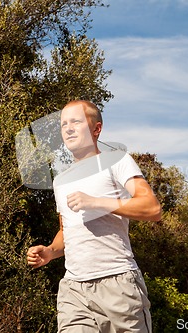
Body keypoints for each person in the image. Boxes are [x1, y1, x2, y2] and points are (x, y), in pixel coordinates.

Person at [26, 100, 162, 333]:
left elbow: (152, 208)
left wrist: (97, 202)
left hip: (118, 284)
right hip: (74, 290)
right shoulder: (61, 181)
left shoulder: (117, 161)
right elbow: (65, 231)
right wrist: (50, 252)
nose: (68, 128)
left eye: (76, 122)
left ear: (96, 129)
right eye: (63, 124)